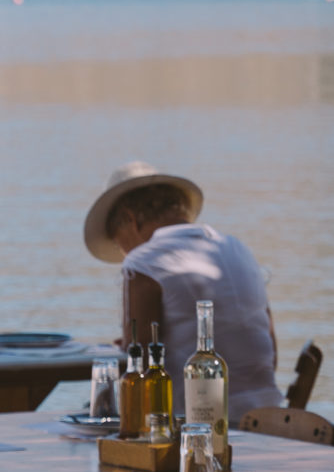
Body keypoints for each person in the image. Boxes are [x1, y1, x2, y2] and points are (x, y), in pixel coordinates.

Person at [83, 160, 280, 418]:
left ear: (129, 220)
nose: (124, 254)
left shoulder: (143, 261)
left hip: (199, 425)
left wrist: (128, 348)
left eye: (119, 243)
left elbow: (139, 365)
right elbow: (270, 354)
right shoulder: (237, 247)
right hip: (270, 417)